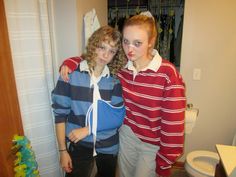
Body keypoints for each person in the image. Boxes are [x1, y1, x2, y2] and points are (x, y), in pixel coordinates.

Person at [60, 12, 186, 177]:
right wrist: (70, 62)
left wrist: (164, 162)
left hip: (151, 143)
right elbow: (96, 57)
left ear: (151, 42)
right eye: (126, 42)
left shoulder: (167, 74)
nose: (130, 49)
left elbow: (173, 125)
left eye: (137, 43)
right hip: (127, 136)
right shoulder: (122, 69)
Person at [51, 25, 126, 177]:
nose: (105, 55)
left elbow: (117, 117)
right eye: (102, 47)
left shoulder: (114, 81)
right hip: (79, 145)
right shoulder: (70, 75)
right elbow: (60, 115)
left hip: (108, 145)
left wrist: (88, 129)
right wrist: (62, 151)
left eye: (111, 51)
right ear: (93, 45)